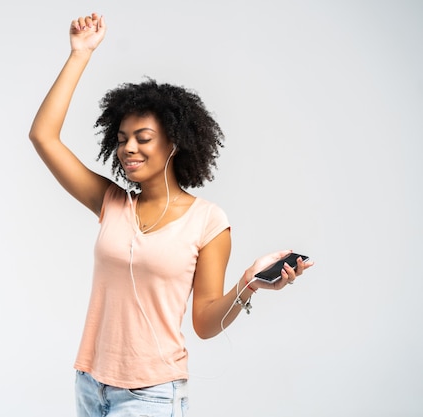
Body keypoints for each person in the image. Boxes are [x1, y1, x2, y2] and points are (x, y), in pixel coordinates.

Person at [28, 12, 313, 417]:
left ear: (174, 144)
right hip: (90, 385)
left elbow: (204, 322)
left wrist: (249, 283)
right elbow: (43, 136)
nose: (129, 148)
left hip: (152, 395)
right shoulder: (111, 202)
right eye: (122, 139)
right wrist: (79, 55)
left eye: (143, 139)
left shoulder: (208, 222)